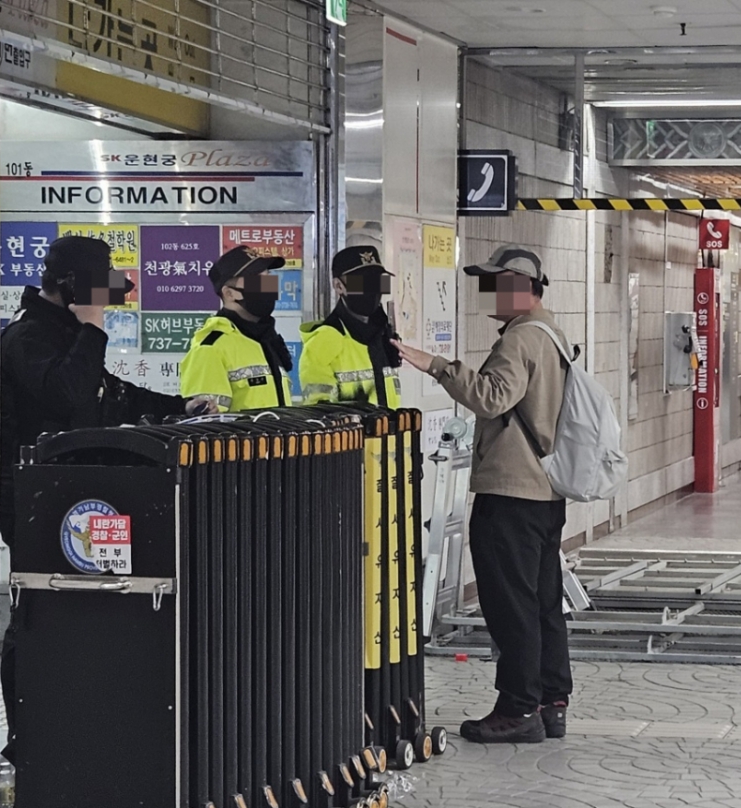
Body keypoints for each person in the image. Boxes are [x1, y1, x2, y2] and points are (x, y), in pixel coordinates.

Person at [0, 235, 211, 763]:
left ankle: (74, 720)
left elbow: (110, 394)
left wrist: (180, 407)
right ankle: (29, 733)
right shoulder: (27, 337)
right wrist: (93, 323)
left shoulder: (68, 332)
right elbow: (70, 395)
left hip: (77, 497)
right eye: (101, 284)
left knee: (82, 616)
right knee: (37, 614)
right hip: (35, 501)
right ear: (71, 286)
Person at [394, 245, 572, 744]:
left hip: (511, 490)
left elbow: (493, 396)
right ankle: (551, 702)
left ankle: (518, 709)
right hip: (544, 491)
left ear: (523, 286)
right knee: (541, 601)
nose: (489, 293)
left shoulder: (521, 339)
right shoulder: (553, 333)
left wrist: (436, 365)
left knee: (510, 603)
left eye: (497, 283)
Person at [180, 246, 293, 411]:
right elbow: (206, 425)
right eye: (256, 281)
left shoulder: (266, 340)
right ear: (229, 293)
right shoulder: (211, 348)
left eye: (268, 278)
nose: (266, 286)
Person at [300, 245, 402, 408]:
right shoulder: (324, 339)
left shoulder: (383, 334)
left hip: (392, 433)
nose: (372, 289)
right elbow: (319, 411)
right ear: (339, 286)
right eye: (361, 282)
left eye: (378, 282)